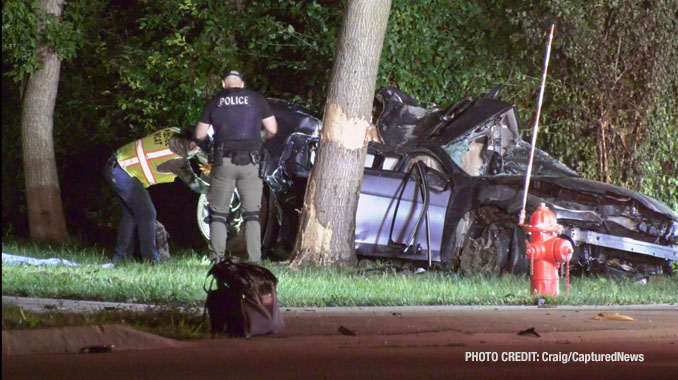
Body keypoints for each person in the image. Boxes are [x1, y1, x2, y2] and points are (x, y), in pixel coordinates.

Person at [195, 70, 278, 263]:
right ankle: (255, 261)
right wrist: (260, 138)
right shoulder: (256, 99)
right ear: (242, 83)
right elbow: (273, 129)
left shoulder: (215, 102)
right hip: (251, 163)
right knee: (252, 215)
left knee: (218, 214)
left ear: (224, 84)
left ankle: (217, 259)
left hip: (224, 163)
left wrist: (209, 146)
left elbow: (199, 134)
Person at [105, 127, 208, 263]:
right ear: (192, 145)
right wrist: (218, 190)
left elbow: (197, 152)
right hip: (122, 172)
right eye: (199, 150)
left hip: (117, 164)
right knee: (148, 214)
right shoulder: (177, 160)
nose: (198, 153)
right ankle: (151, 260)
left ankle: (120, 258)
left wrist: (208, 160)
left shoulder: (174, 130)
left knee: (131, 215)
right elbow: (195, 185)